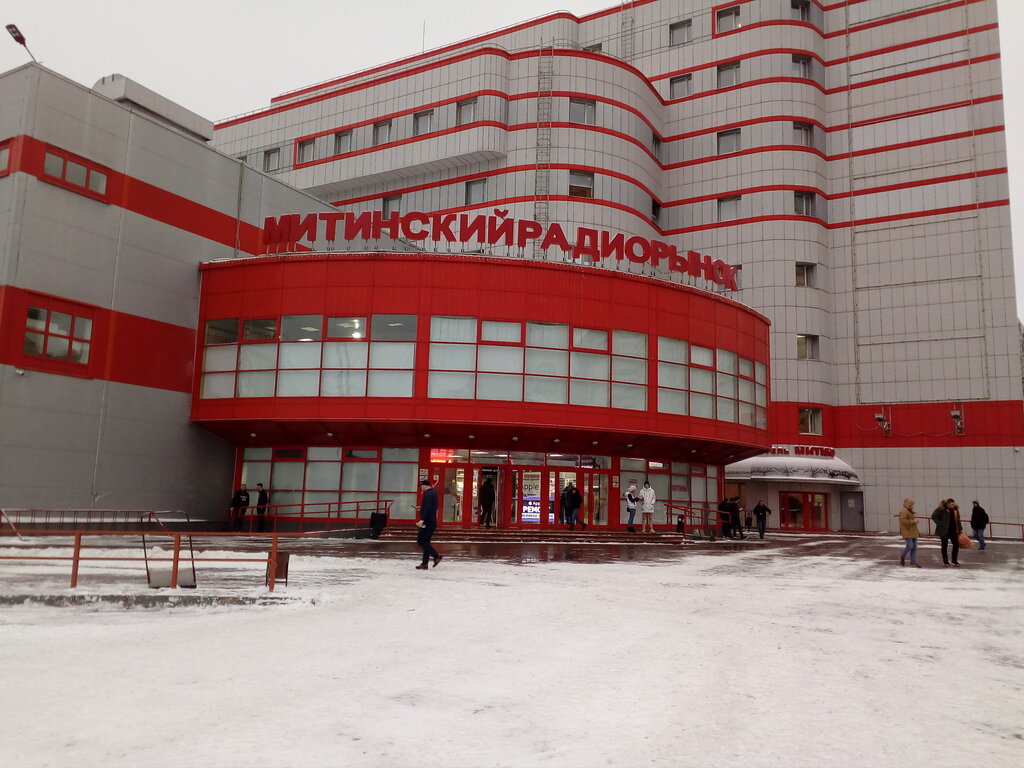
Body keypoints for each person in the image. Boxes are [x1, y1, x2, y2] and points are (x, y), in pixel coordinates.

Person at [415, 479, 443, 570]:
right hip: (431, 521)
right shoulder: (433, 493)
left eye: (421, 486)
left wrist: (422, 520)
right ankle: (424, 564)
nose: (421, 488)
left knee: (421, 540)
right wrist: (421, 508)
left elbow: (427, 508)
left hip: (427, 522)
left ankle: (436, 556)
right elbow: (430, 507)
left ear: (424, 485)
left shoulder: (428, 494)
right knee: (426, 542)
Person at [930, 498, 961, 567]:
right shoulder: (942, 509)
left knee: (956, 545)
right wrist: (940, 523)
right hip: (944, 531)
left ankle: (954, 560)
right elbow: (934, 516)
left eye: (953, 504)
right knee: (944, 545)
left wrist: (960, 529)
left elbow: (958, 520)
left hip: (953, 530)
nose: (953, 505)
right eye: (951, 504)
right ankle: (945, 560)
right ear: (948, 504)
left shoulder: (955, 510)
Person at [898, 498, 921, 567]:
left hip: (913, 531)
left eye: (913, 504)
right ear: (907, 504)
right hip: (907, 531)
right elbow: (903, 521)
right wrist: (913, 521)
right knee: (910, 546)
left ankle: (913, 562)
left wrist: (914, 521)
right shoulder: (904, 511)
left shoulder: (909, 511)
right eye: (911, 504)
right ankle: (902, 556)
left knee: (914, 548)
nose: (912, 506)